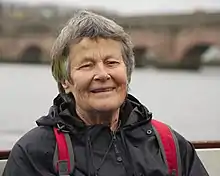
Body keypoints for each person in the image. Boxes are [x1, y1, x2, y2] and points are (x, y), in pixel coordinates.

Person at [3, 10, 208, 176]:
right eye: (86, 65)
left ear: (127, 72)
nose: (102, 74)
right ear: (66, 81)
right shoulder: (34, 154)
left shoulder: (170, 146)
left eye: (112, 63)